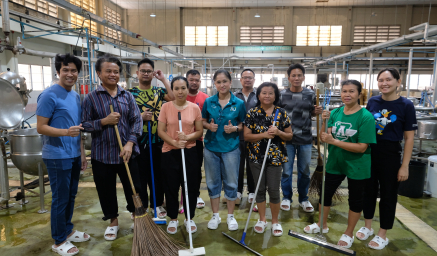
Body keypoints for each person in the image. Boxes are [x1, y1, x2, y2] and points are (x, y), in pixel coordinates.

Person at [303, 80, 376, 249]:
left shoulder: (365, 117)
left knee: (355, 200)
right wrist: (324, 122)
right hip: (336, 162)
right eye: (344, 91)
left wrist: (333, 141)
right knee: (325, 193)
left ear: (359, 94)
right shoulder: (335, 113)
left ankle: (348, 233)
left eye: (351, 91)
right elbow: (324, 137)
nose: (347, 94)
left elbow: (361, 147)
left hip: (357, 164)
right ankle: (322, 224)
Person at [82, 55, 143, 241]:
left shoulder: (128, 96)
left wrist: (130, 143)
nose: (112, 74)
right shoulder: (91, 98)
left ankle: (137, 217)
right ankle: (113, 221)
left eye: (116, 71)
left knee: (134, 188)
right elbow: (84, 124)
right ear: (99, 73)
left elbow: (137, 121)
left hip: (126, 153)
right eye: (108, 71)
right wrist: (103, 122)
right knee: (105, 189)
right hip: (102, 155)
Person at [357, 68, 416, 250]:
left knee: (388, 195)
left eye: (389, 80)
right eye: (381, 80)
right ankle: (367, 226)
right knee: (368, 191)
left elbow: (409, 138)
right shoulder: (373, 101)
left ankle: (382, 234)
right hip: (370, 151)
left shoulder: (406, 105)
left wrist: (404, 165)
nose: (384, 83)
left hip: (390, 154)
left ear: (398, 82)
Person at [36, 53, 90, 255]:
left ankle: (67, 230)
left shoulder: (75, 96)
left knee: (71, 195)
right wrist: (66, 132)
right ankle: (59, 240)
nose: (70, 74)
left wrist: (82, 153)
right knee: (60, 198)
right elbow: (41, 127)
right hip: (57, 155)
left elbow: (79, 128)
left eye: (73, 70)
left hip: (73, 154)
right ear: (58, 72)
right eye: (65, 70)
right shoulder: (49, 95)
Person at [244, 82, 293, 237]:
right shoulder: (252, 113)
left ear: (275, 96)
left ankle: (275, 221)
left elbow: (289, 135)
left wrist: (278, 132)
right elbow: (247, 136)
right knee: (259, 188)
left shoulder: (281, 113)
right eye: (263, 93)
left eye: (270, 93)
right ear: (258, 95)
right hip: (256, 157)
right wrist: (264, 135)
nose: (267, 96)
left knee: (273, 189)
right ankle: (262, 219)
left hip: (275, 156)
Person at [129, 58, 174, 219]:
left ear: (153, 73)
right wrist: (140, 117)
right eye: (143, 71)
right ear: (137, 73)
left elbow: (174, 98)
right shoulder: (130, 93)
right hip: (138, 142)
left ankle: (157, 204)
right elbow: (126, 118)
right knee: (140, 177)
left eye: (149, 71)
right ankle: (142, 206)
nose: (146, 74)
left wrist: (163, 79)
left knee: (158, 175)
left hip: (157, 142)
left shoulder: (158, 91)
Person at [157, 76, 203, 234]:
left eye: (183, 88)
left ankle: (189, 218)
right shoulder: (166, 107)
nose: (180, 91)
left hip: (190, 152)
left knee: (190, 186)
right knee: (171, 186)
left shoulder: (194, 108)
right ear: (173, 90)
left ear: (187, 88)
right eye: (176, 88)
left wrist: (187, 137)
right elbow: (160, 131)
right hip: (170, 152)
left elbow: (199, 131)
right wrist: (174, 142)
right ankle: (173, 218)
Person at [202, 69, 246, 231]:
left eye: (225, 81)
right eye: (218, 82)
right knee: (213, 182)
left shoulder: (239, 103)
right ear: (214, 83)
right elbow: (203, 120)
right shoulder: (209, 101)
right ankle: (215, 215)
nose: (222, 85)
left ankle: (230, 216)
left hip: (231, 148)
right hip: (211, 148)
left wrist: (235, 128)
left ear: (230, 82)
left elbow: (243, 124)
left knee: (232, 182)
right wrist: (209, 126)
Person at [280, 63, 323, 213]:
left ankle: (303, 199)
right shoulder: (281, 95)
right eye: (293, 75)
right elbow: (278, 115)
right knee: (286, 170)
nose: (296, 78)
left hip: (305, 138)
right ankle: (286, 197)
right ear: (289, 77)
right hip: (287, 139)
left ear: (304, 77)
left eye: (299, 75)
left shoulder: (311, 94)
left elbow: (311, 112)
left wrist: (316, 111)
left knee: (304, 171)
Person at [185, 69, 209, 209]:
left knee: (195, 170)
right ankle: (182, 196)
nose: (194, 83)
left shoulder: (205, 98)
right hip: (178, 141)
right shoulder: (180, 96)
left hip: (197, 141)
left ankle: (196, 194)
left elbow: (207, 119)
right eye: (191, 80)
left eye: (197, 80)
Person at [234, 69, 258, 204]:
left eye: (250, 77)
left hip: (254, 137)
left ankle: (252, 191)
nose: (247, 79)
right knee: (237, 165)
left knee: (252, 165)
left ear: (254, 79)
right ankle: (237, 191)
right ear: (241, 79)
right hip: (237, 136)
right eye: (245, 77)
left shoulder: (259, 95)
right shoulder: (234, 96)